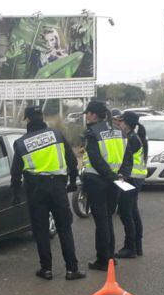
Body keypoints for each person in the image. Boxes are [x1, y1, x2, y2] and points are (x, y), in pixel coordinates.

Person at [11, 106, 85, 281]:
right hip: (58, 187)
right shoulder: (56, 134)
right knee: (64, 228)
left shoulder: (21, 143)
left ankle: (46, 270)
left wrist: (15, 193)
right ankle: (72, 270)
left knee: (41, 230)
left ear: (27, 120)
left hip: (36, 189)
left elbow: (15, 173)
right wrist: (73, 181)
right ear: (41, 117)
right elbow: (72, 160)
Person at [80, 100, 125, 270]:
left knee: (101, 222)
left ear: (93, 115)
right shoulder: (118, 131)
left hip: (97, 180)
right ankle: (111, 257)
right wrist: (117, 176)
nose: (87, 117)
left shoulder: (92, 133)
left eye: (88, 114)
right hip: (114, 181)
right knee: (108, 219)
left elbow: (96, 160)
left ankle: (103, 260)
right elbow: (126, 155)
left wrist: (109, 175)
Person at [113, 111, 148, 258]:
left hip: (130, 179)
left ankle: (130, 247)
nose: (118, 124)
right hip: (136, 178)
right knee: (132, 211)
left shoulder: (131, 139)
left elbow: (122, 158)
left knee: (125, 212)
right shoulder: (135, 137)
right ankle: (137, 246)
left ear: (127, 124)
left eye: (120, 122)